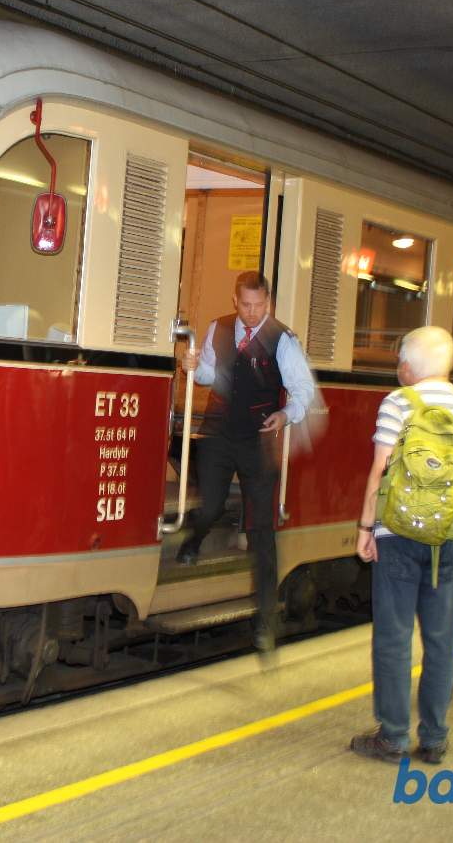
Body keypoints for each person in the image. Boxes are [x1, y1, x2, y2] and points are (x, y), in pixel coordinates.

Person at [350, 326, 453, 764]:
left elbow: (379, 470)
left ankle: (392, 736)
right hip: (447, 539)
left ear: (409, 365)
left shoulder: (397, 403)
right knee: (442, 641)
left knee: (393, 638)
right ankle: (435, 737)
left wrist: (365, 529)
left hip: (398, 534)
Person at [179, 271, 316, 651]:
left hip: (258, 439)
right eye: (245, 306)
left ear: (267, 303)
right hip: (219, 432)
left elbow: (303, 388)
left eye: (259, 306)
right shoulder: (218, 329)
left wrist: (287, 415)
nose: (252, 313)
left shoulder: (282, 340)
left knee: (261, 531)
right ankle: (195, 537)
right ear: (235, 301)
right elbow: (208, 373)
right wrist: (194, 368)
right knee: (210, 505)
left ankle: (266, 621)